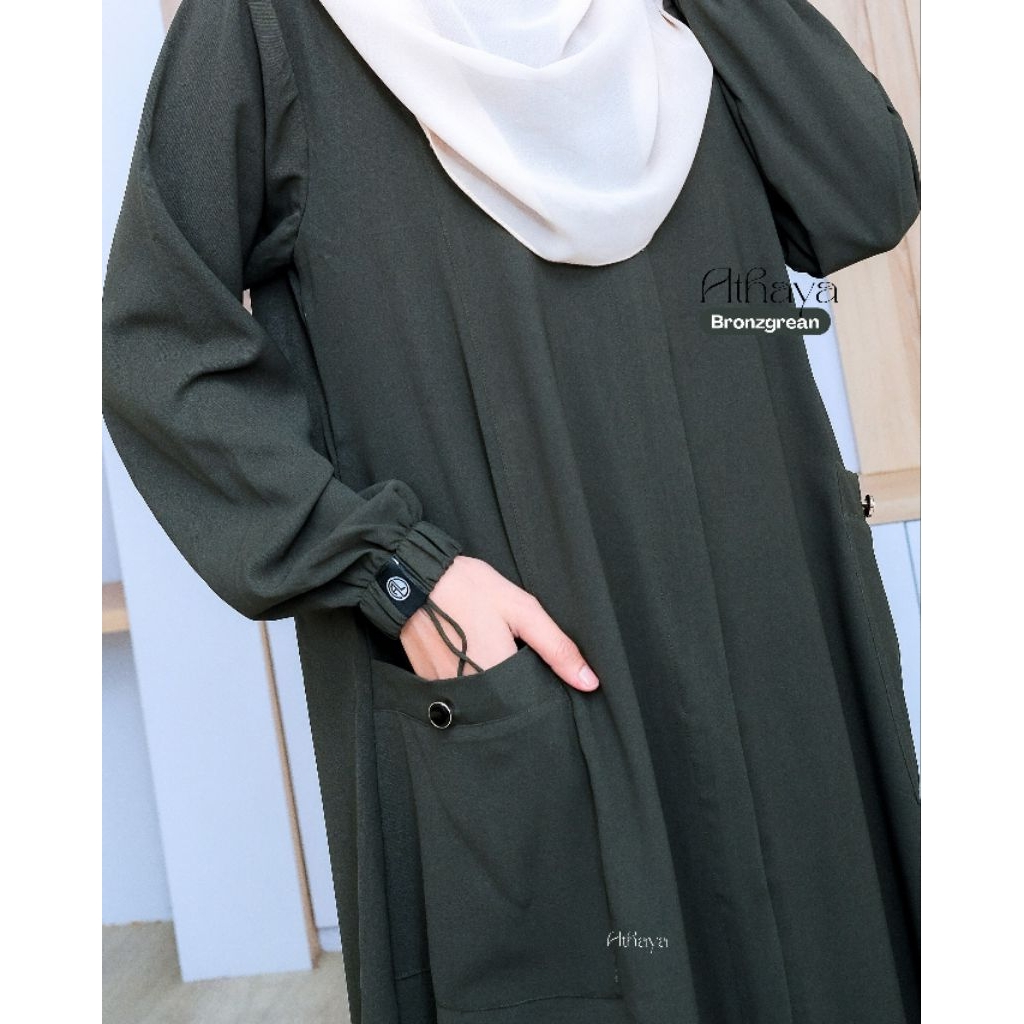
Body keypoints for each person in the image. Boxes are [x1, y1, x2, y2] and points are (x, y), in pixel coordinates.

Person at [102, 1, 921, 1022]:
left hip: (773, 648)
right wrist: (401, 575)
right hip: (527, 659)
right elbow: (158, 347)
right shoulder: (269, 24)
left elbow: (864, 194)